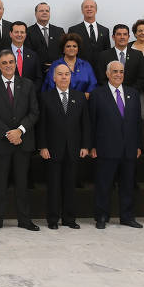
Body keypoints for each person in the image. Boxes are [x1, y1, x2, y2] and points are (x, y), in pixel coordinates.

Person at [0, 50, 40, 232]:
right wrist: (8, 133)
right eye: (4, 63)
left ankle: (25, 220)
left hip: (22, 142)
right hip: (1, 143)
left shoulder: (28, 84)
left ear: (16, 64)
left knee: (22, 184)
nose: (8, 65)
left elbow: (34, 112)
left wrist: (20, 131)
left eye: (11, 62)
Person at [89, 61, 143, 229]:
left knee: (127, 185)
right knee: (104, 184)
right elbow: (91, 122)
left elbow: (137, 122)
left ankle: (127, 216)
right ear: (107, 74)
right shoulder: (97, 94)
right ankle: (102, 216)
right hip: (106, 147)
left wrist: (139, 145)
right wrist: (92, 146)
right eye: (114, 71)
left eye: (121, 71)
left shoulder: (133, 94)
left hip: (129, 148)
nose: (118, 74)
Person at [37, 64, 90, 229]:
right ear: (54, 78)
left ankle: (69, 219)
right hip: (52, 149)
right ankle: (53, 219)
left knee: (70, 185)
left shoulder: (80, 97)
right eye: (60, 74)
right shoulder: (45, 97)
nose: (64, 77)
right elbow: (41, 125)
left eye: (67, 74)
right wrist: (42, 146)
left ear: (70, 77)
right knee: (54, 186)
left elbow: (85, 124)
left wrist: (85, 145)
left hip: (74, 149)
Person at [95, 24, 144, 93]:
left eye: (125, 34)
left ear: (128, 37)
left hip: (132, 94)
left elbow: (142, 77)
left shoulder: (138, 55)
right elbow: (101, 78)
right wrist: (114, 91)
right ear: (113, 37)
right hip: (109, 94)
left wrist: (130, 91)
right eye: (119, 34)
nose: (122, 37)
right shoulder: (103, 55)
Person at [67, 0, 111, 68]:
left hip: (100, 71)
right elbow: (69, 52)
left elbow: (107, 52)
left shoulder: (105, 30)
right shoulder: (73, 30)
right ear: (82, 11)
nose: (89, 9)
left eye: (92, 7)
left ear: (96, 10)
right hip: (80, 69)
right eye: (86, 7)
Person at [25, 2, 65, 74]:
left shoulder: (59, 31)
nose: (44, 13)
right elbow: (28, 54)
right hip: (37, 72)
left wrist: (54, 66)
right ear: (35, 14)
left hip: (58, 71)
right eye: (41, 11)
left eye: (47, 11)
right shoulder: (28, 32)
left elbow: (64, 51)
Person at [9, 21, 42, 89]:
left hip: (29, 95)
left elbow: (38, 78)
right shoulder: (2, 54)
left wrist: (31, 92)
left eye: (22, 32)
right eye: (16, 32)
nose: (19, 35)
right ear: (10, 34)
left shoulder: (33, 55)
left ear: (26, 35)